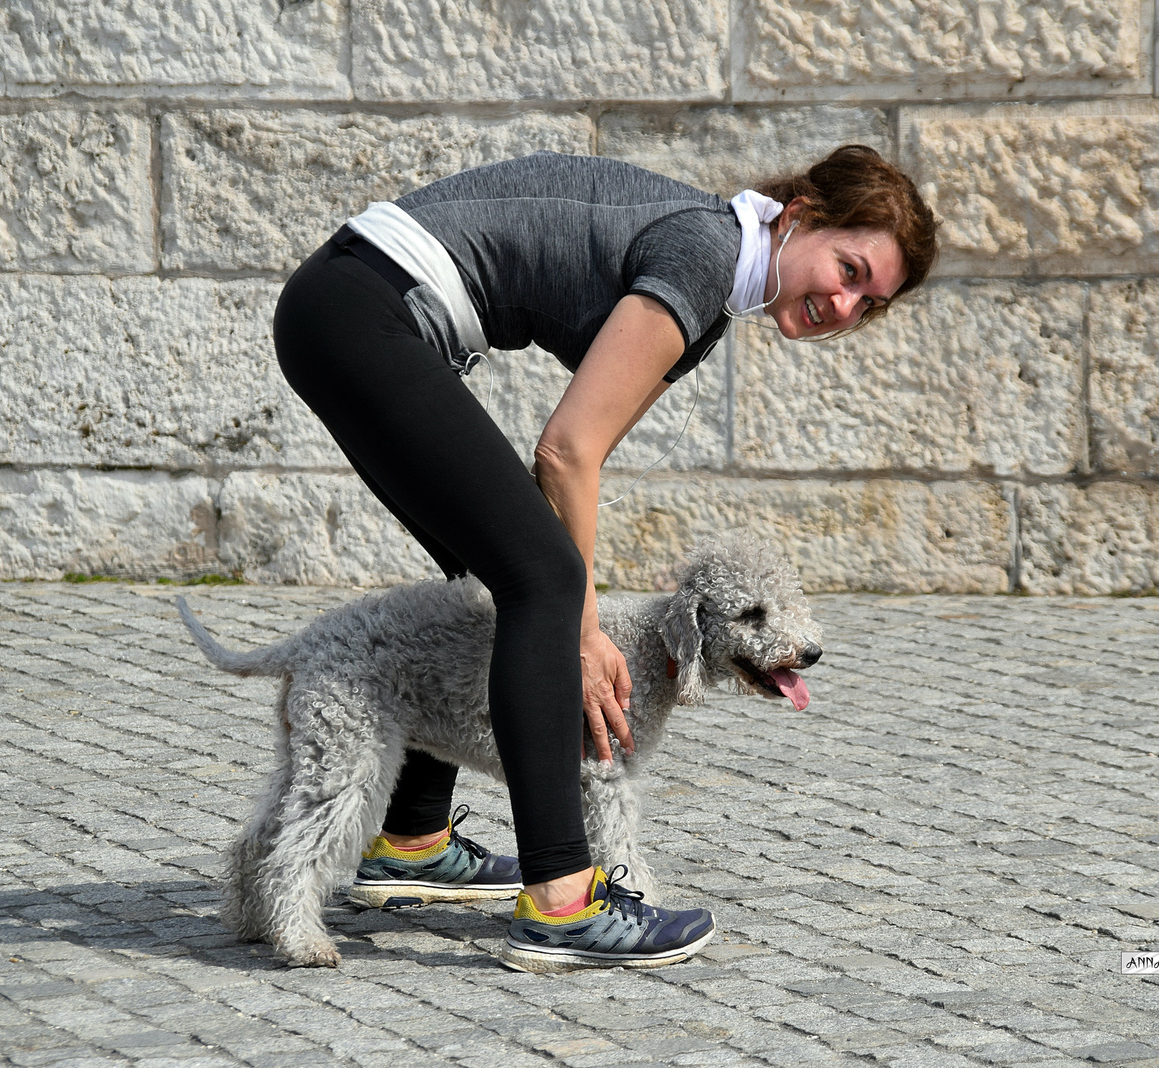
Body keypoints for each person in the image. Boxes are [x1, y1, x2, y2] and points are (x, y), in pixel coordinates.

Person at [271, 144, 937, 971]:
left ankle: (410, 842)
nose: (843, 302)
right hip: (363, 308)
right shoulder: (704, 255)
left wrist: (563, 608)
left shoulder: (714, 284)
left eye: (866, 301)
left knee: (497, 573)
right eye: (848, 267)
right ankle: (561, 901)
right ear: (800, 215)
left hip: (347, 307)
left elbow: (572, 458)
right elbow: (568, 452)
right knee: (544, 583)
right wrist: (583, 635)